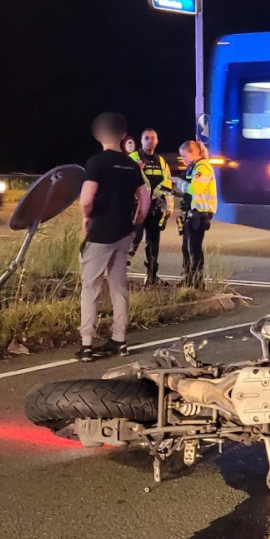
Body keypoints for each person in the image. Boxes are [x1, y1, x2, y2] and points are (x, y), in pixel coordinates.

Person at [77, 112, 148, 361]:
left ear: (99, 133)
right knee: (119, 287)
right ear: (122, 134)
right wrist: (135, 224)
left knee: (91, 287)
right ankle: (119, 340)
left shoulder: (96, 163)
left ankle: (87, 344)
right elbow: (145, 201)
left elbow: (86, 199)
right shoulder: (131, 164)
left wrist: (86, 218)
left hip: (100, 234)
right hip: (123, 233)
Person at [129, 128, 175, 285]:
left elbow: (168, 184)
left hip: (155, 207)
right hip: (137, 206)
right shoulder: (134, 157)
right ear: (141, 141)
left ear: (157, 141)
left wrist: (169, 207)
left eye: (152, 138)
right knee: (133, 239)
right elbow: (125, 181)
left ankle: (152, 276)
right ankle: (119, 274)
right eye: (146, 138)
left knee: (153, 241)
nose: (150, 140)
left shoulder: (161, 161)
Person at [175, 139, 218, 288]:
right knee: (186, 247)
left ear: (194, 152)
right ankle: (188, 279)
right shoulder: (194, 167)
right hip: (192, 212)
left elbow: (195, 189)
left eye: (185, 156)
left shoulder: (203, 167)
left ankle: (197, 282)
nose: (184, 160)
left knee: (194, 248)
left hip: (200, 213)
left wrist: (178, 183)